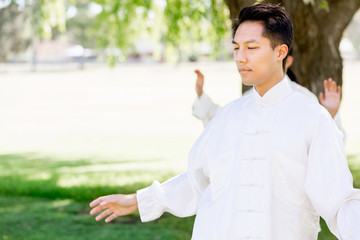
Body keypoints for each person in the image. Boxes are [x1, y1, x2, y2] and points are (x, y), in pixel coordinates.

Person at [90, 4, 360, 239]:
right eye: (236, 48)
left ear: (280, 52)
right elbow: (196, 181)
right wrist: (137, 200)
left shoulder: (312, 118)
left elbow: (337, 200)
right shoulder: (228, 116)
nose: (240, 57)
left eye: (252, 48)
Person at [192, 59, 345, 140]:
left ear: (284, 57)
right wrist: (201, 95)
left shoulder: (304, 97)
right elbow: (224, 122)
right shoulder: (250, 98)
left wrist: (330, 115)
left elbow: (327, 145)